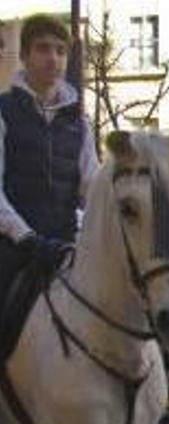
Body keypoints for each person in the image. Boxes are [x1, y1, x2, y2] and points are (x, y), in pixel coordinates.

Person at [0, 14, 99, 316]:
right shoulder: (3, 112)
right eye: (43, 48)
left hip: (66, 247)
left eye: (60, 50)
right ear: (26, 55)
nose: (53, 58)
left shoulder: (80, 124)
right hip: (13, 247)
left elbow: (93, 190)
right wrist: (27, 238)